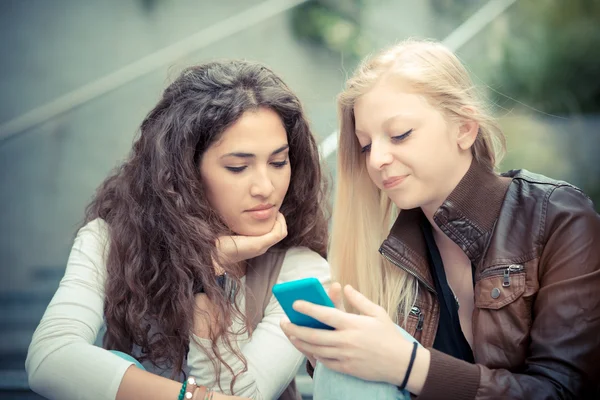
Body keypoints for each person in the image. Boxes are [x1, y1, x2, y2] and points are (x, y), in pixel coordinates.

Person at [281, 39, 600, 399]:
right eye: (366, 145)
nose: (376, 160)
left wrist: (408, 365)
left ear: (464, 128)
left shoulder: (560, 219)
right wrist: (329, 353)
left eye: (400, 135)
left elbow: (562, 391)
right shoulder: (387, 252)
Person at [26, 60, 331, 400]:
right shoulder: (110, 240)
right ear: (184, 173)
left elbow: (246, 397)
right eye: (238, 166)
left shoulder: (302, 270)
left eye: (278, 162)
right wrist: (189, 397)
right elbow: (50, 359)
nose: (265, 186)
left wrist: (211, 280)